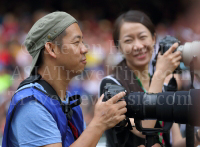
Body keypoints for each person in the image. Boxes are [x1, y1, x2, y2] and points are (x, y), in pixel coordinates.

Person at [2, 11, 127, 147]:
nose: (85, 49)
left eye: (83, 42)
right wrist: (99, 123)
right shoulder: (31, 104)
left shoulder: (68, 100)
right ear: (51, 49)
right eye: (76, 42)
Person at [99, 10, 182, 147]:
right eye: (128, 40)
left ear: (154, 38)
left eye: (142, 37)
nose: (138, 46)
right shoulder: (111, 85)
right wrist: (160, 73)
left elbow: (176, 142)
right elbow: (144, 129)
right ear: (118, 47)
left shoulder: (164, 87)